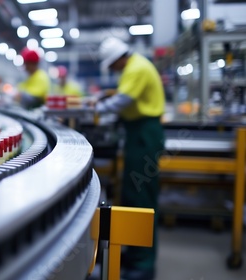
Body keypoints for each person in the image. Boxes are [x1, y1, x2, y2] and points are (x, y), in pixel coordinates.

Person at [94, 37, 165, 280]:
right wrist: (105, 96)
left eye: (112, 65)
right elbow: (121, 94)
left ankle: (144, 264)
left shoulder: (136, 68)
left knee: (142, 197)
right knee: (132, 196)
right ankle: (134, 255)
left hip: (145, 136)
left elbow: (124, 100)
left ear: (118, 58)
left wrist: (93, 108)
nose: (112, 70)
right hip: (137, 134)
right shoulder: (133, 67)